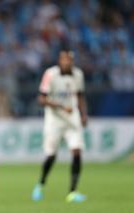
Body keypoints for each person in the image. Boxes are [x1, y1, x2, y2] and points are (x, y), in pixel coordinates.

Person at [31, 49, 88, 203]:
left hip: (72, 119)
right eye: (64, 59)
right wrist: (61, 106)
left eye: (70, 59)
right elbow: (41, 99)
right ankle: (40, 184)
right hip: (54, 120)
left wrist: (83, 114)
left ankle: (73, 192)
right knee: (51, 155)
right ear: (59, 60)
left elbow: (80, 95)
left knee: (77, 152)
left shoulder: (78, 75)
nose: (67, 62)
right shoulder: (50, 74)